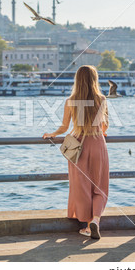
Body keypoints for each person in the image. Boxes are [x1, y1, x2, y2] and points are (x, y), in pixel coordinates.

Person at [43, 65, 109, 239]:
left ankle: (86, 223)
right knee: (100, 186)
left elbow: (65, 127)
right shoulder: (101, 99)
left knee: (82, 186)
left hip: (78, 145)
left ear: (77, 80)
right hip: (97, 143)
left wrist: (52, 134)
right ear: (94, 80)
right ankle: (95, 221)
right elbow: (104, 126)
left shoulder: (70, 101)